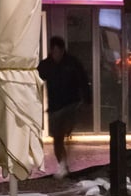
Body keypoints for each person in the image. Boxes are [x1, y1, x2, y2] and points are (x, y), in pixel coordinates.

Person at [38, 36, 91, 178]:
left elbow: (83, 80)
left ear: (62, 50)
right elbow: (37, 77)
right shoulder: (47, 65)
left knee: (63, 131)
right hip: (55, 107)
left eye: (58, 52)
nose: (56, 55)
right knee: (57, 138)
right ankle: (62, 164)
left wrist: (87, 100)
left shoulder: (71, 63)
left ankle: (64, 158)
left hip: (70, 105)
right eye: (53, 52)